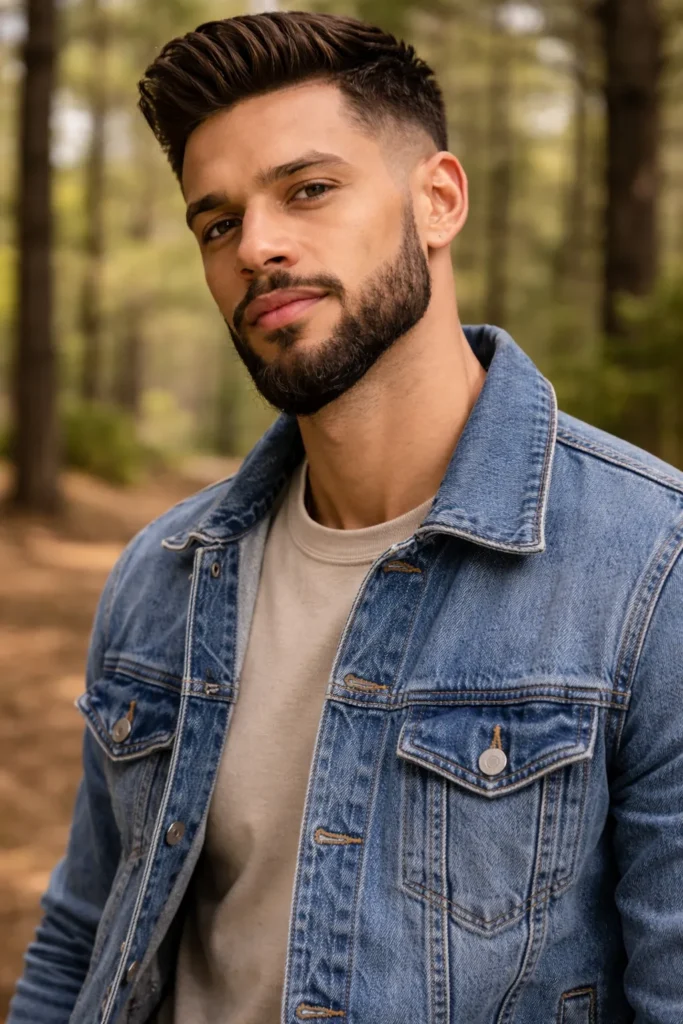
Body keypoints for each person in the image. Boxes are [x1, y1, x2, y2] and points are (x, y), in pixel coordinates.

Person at [8, 10, 683, 1024]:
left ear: (437, 201)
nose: (257, 248)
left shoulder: (649, 567)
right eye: (217, 222)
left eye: (308, 189)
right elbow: (84, 930)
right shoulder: (163, 571)